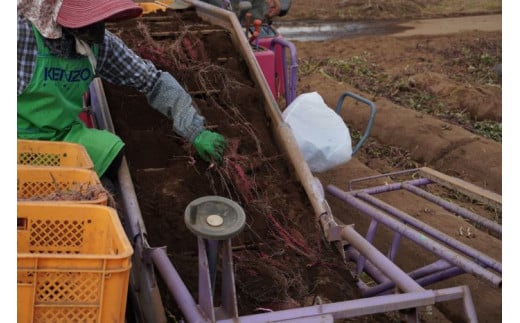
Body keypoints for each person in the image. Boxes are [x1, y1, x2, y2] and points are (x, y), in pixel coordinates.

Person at [17, 0, 227, 184]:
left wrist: (195, 130)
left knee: (112, 152)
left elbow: (153, 81)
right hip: (17, 139)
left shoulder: (100, 46)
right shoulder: (22, 36)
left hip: (62, 135)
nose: (96, 29)